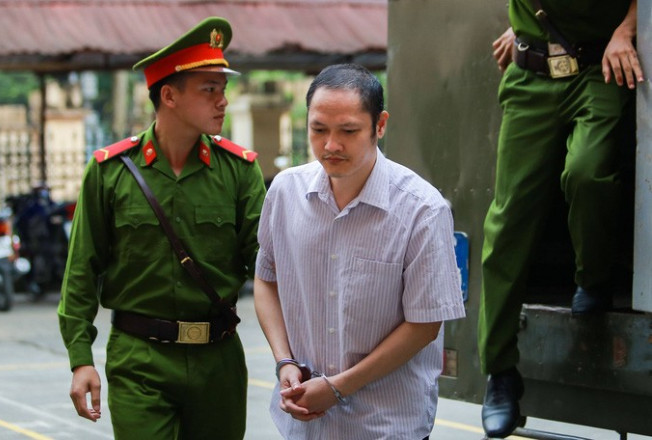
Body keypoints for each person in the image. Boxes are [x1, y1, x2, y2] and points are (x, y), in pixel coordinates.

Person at [57, 17, 265, 439]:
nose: (223, 101)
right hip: (140, 360)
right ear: (169, 95)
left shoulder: (239, 171)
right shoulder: (110, 173)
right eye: (209, 89)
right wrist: (81, 358)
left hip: (218, 360)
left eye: (223, 89)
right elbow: (81, 270)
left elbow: (268, 267)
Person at [253, 63, 466, 439]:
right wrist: (284, 360)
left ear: (380, 125)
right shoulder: (285, 192)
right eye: (319, 129)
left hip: (385, 424)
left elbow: (424, 325)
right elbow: (266, 279)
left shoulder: (421, 209)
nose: (331, 145)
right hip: (303, 424)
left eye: (348, 131)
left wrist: (338, 387)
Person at [479, 1, 644, 438]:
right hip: (531, 75)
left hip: (597, 68)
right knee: (508, 221)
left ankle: (593, 279)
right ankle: (500, 373)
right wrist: (527, 27)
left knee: (587, 173)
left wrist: (628, 29)